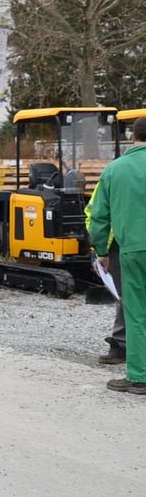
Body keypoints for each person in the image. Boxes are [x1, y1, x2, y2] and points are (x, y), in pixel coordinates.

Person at [88, 116, 146, 393]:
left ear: (131, 136)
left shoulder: (115, 170)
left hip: (133, 249)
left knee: (136, 312)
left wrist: (101, 250)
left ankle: (139, 376)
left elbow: (98, 215)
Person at [85, 184, 126, 365]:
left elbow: (96, 215)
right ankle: (122, 344)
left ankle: (123, 345)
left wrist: (100, 250)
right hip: (125, 245)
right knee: (128, 297)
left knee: (126, 297)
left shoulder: (112, 174)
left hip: (120, 246)